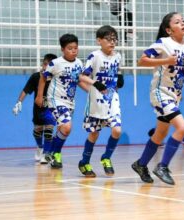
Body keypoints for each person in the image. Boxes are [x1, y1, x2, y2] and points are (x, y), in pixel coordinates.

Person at [131, 12, 184, 185]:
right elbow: (142, 60)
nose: (182, 23)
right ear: (169, 30)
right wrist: (166, 60)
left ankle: (141, 164)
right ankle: (162, 166)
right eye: (177, 22)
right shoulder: (163, 43)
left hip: (175, 96)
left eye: (183, 20)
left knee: (160, 134)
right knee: (182, 128)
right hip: (161, 92)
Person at [35, 33, 92, 169]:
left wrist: (91, 92)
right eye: (70, 48)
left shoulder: (79, 63)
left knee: (62, 129)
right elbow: (43, 78)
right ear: (62, 49)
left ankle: (54, 153)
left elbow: (78, 80)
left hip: (70, 102)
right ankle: (55, 153)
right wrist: (39, 96)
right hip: (55, 100)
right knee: (67, 127)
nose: (73, 51)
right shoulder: (55, 63)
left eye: (75, 48)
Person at [77, 25, 124, 177]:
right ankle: (84, 162)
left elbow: (117, 73)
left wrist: (120, 78)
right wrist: (95, 83)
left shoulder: (118, 56)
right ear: (99, 41)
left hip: (112, 99)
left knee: (117, 130)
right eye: (108, 39)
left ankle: (106, 158)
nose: (112, 42)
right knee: (94, 134)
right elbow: (82, 76)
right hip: (96, 99)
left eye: (114, 39)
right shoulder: (94, 56)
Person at [12, 53, 57, 164]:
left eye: (49, 65)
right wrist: (18, 103)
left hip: (51, 107)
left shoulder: (56, 78)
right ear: (42, 64)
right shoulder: (36, 77)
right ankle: (40, 147)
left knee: (49, 130)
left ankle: (46, 154)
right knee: (37, 130)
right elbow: (26, 90)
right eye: (45, 64)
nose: (46, 67)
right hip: (38, 108)